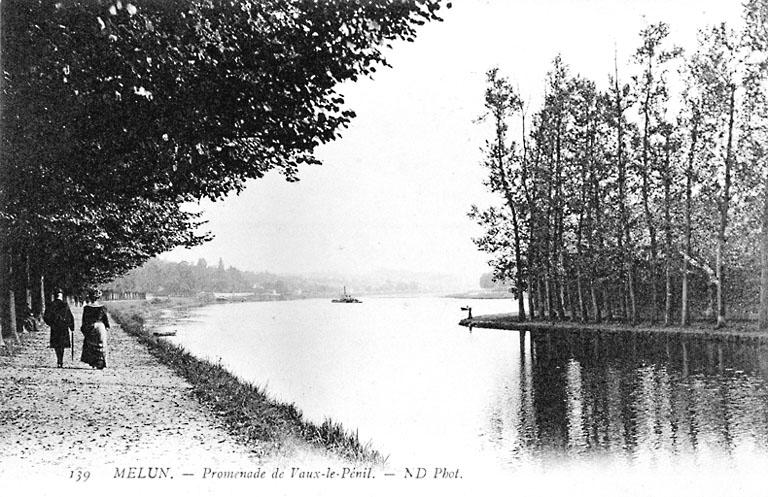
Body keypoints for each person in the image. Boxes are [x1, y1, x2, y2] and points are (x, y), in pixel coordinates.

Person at [43, 289, 75, 368]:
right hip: (63, 327)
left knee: (57, 345)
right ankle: (61, 360)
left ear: (54, 295)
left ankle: (59, 360)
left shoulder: (51, 305)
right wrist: (71, 326)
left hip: (55, 327)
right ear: (61, 295)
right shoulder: (65, 305)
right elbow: (70, 317)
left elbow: (46, 317)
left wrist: (51, 323)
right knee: (62, 345)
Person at [80, 288, 110, 370]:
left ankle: (93, 362)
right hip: (100, 327)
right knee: (101, 344)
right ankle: (101, 362)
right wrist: (107, 327)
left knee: (91, 344)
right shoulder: (102, 307)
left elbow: (84, 320)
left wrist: (84, 329)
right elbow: (105, 319)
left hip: (90, 326)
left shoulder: (87, 308)